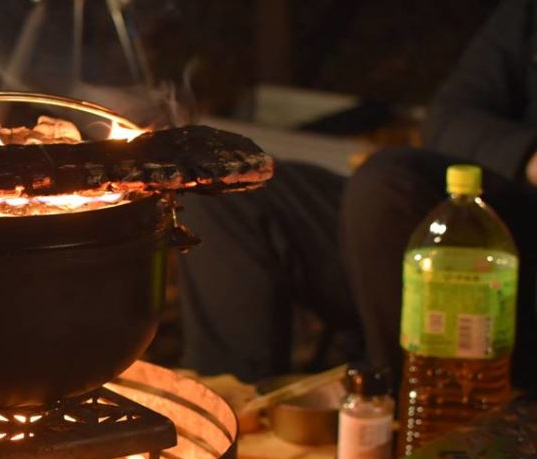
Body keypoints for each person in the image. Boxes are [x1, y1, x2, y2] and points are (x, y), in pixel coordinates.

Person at [177, 0, 537, 388]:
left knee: (385, 187)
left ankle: (398, 418)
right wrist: (527, 156)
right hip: (472, 213)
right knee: (226, 186)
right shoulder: (526, 16)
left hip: (513, 275)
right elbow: (448, 118)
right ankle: (230, 413)